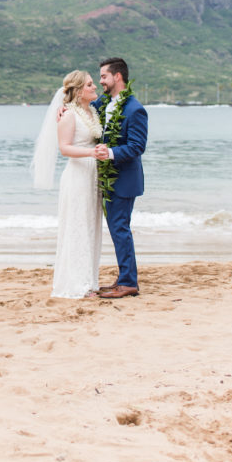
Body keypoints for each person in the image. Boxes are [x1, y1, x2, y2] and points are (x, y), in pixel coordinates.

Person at [32, 70, 103, 298]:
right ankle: (77, 285)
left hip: (93, 176)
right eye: (90, 84)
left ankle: (90, 281)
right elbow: (64, 148)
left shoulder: (92, 110)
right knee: (77, 228)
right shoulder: (68, 115)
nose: (95, 87)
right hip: (78, 176)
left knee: (91, 228)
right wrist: (92, 152)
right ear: (80, 90)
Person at [93, 57, 147, 298]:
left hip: (124, 180)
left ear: (117, 76)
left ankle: (128, 282)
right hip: (108, 178)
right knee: (117, 229)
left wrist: (110, 153)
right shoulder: (104, 102)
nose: (100, 81)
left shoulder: (135, 109)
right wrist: (66, 108)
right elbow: (84, 109)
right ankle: (124, 278)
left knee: (120, 229)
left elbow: (137, 146)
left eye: (103, 76)